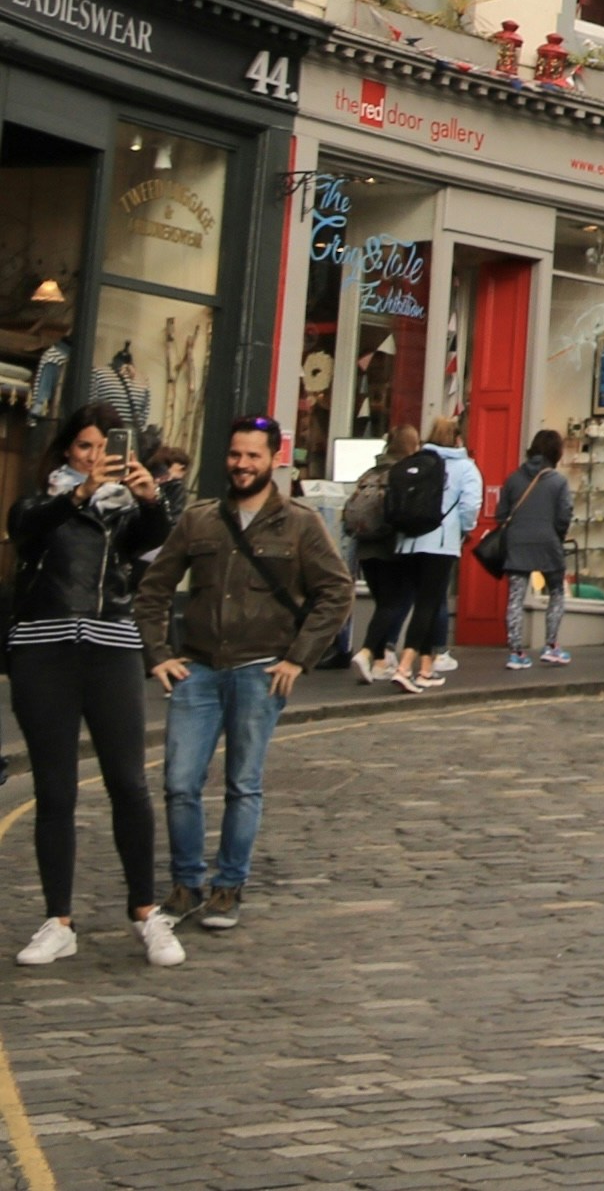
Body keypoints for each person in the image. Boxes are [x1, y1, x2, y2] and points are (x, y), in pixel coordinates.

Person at [136, 416, 353, 932]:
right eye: (235, 455)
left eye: (253, 456)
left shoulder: (299, 523)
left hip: (261, 671)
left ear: (273, 460)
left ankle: (228, 887)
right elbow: (153, 588)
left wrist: (300, 657)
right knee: (179, 783)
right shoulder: (199, 520)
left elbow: (337, 591)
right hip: (199, 671)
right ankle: (187, 883)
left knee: (242, 784)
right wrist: (158, 654)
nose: (241, 465)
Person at [8, 408, 182, 966]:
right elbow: (25, 530)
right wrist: (81, 493)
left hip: (110, 650)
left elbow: (156, 548)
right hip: (44, 652)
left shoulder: (127, 511)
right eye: (83, 446)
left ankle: (146, 913)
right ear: (66, 452)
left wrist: (152, 499)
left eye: (104, 448)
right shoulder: (44, 503)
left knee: (128, 783)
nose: (93, 456)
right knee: (55, 791)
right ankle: (58, 921)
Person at [489, 430, 576, 668]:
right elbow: (564, 516)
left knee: (515, 597)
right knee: (556, 592)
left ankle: (516, 652)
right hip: (549, 543)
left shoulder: (513, 478)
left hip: (517, 543)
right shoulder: (558, 481)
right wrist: (556, 536)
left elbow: (500, 515)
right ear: (556, 452)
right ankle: (551, 646)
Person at [410, 411, 482, 683]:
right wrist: (464, 529)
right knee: (433, 601)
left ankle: (408, 660)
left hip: (411, 540)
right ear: (457, 439)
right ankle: (429, 658)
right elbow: (470, 506)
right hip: (442, 541)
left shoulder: (417, 462)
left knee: (421, 601)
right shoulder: (464, 468)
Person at [346, 423, 419, 686]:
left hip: (365, 547)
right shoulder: (404, 473)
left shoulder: (370, 473)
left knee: (382, 603)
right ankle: (367, 653)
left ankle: (378, 662)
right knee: (394, 603)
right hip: (391, 547)